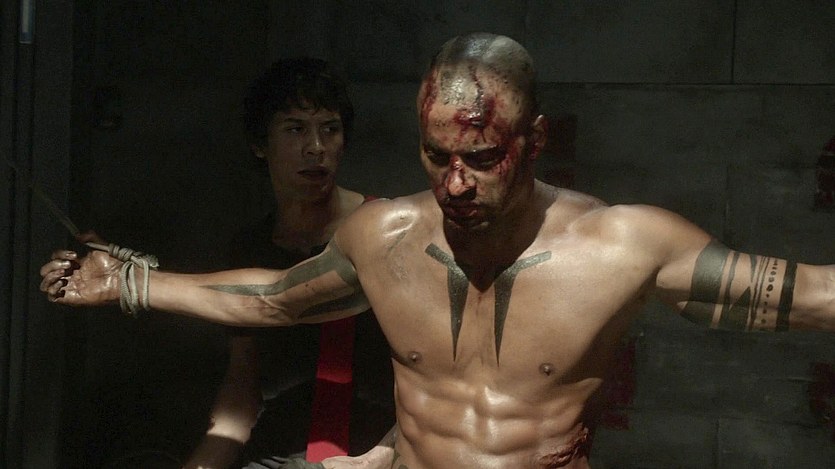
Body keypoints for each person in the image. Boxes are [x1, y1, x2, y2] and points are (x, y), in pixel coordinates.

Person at [40, 32, 835, 469]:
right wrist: (129, 282)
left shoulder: (624, 246)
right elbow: (272, 300)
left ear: (533, 142)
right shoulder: (384, 238)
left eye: (481, 158)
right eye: (434, 155)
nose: (455, 183)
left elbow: (811, 296)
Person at [177, 58, 394, 468]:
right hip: (279, 451)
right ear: (260, 144)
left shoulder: (385, 227)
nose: (316, 147)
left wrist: (380, 459)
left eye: (329, 129)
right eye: (295, 129)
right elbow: (242, 388)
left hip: (375, 447)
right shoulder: (251, 248)